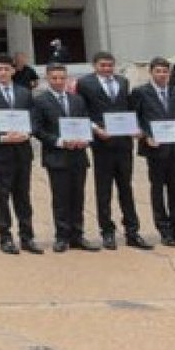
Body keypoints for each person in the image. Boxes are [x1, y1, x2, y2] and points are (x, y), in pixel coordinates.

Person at [76, 51, 150, 250]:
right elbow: (81, 111)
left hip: (124, 142)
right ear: (95, 66)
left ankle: (132, 231)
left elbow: (128, 109)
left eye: (110, 65)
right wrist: (95, 129)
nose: (107, 69)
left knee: (126, 187)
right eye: (103, 65)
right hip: (102, 143)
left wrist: (135, 128)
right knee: (104, 189)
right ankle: (107, 232)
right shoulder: (85, 83)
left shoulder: (123, 82)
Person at [0, 53, 42, 254]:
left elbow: (34, 117)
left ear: (13, 71)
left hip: (22, 149)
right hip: (1, 150)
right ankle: (5, 237)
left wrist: (27, 132)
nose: (3, 72)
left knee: (23, 195)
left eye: (7, 69)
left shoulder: (24, 92)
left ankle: (27, 236)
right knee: (2, 194)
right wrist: (0, 136)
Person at [33, 64, 98, 252]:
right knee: (61, 198)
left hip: (78, 155)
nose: (59, 81)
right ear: (47, 79)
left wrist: (86, 139)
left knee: (78, 196)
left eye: (62, 78)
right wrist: (60, 141)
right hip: (57, 156)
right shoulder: (40, 101)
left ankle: (77, 235)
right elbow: (37, 129)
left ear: (67, 79)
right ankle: (62, 236)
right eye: (54, 78)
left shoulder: (77, 100)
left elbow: (86, 122)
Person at [134, 57, 175, 246]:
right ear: (151, 72)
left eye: (165, 71)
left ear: (170, 73)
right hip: (155, 149)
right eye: (158, 71)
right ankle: (164, 230)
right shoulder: (140, 92)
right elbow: (135, 119)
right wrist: (145, 136)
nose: (162, 75)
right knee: (158, 189)